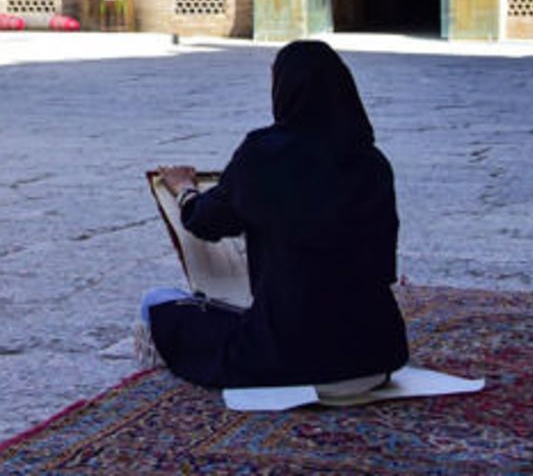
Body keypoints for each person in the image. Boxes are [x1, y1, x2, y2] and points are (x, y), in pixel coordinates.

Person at [138, 39, 409, 391]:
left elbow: (204, 220)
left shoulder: (262, 157)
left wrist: (184, 189)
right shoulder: (373, 164)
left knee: (158, 303)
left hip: (289, 356)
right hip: (376, 355)